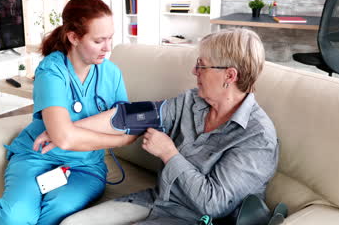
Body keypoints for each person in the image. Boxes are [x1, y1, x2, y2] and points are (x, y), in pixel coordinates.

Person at [37, 28, 279, 225]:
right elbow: (129, 117)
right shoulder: (192, 101)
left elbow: (213, 204)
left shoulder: (258, 138)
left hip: (197, 219)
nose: (195, 72)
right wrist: (65, 130)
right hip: (157, 201)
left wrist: (168, 153)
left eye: (202, 66)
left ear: (230, 76)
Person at [0, 0, 138, 225]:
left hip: (84, 167)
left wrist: (69, 130)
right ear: (73, 37)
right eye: (99, 40)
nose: (108, 48)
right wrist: (115, 138)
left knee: (57, 210)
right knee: (15, 216)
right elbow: (65, 138)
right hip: (36, 157)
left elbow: (129, 127)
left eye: (110, 38)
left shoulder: (111, 73)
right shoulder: (52, 70)